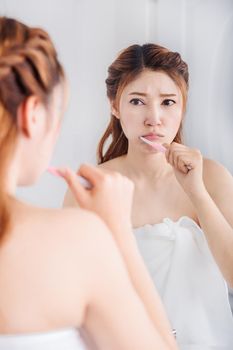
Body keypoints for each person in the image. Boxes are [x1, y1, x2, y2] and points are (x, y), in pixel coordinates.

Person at [0, 18, 179, 350]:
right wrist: (117, 230)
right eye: (59, 114)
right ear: (33, 115)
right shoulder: (79, 238)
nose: (153, 117)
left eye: (168, 101)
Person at [64, 43, 233, 349]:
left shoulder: (213, 178)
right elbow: (74, 293)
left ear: (183, 107)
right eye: (138, 101)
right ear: (115, 106)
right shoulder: (91, 186)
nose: (154, 118)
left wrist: (197, 193)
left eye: (168, 102)